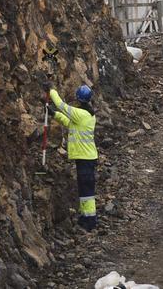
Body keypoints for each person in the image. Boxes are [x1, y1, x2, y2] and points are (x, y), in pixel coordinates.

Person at [49, 84, 98, 231]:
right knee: (84, 189)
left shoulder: (81, 114)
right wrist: (53, 114)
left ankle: (89, 221)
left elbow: (61, 105)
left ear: (78, 99)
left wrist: (51, 90)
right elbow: (68, 122)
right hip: (86, 158)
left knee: (87, 191)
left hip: (85, 159)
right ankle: (85, 217)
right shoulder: (86, 114)